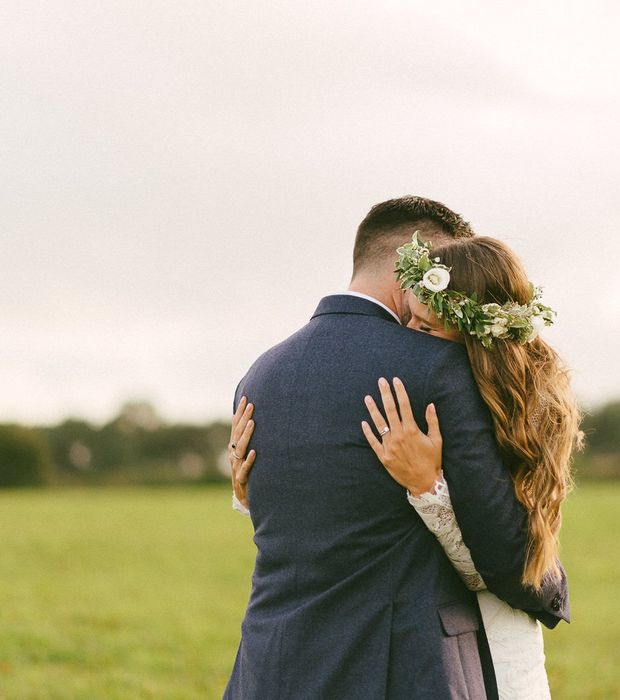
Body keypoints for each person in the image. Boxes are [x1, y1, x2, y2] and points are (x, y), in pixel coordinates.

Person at [223, 196, 570, 700]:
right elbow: (503, 551)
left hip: (271, 665)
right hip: (400, 669)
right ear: (415, 264)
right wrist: (551, 591)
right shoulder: (437, 367)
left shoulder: (259, 374)